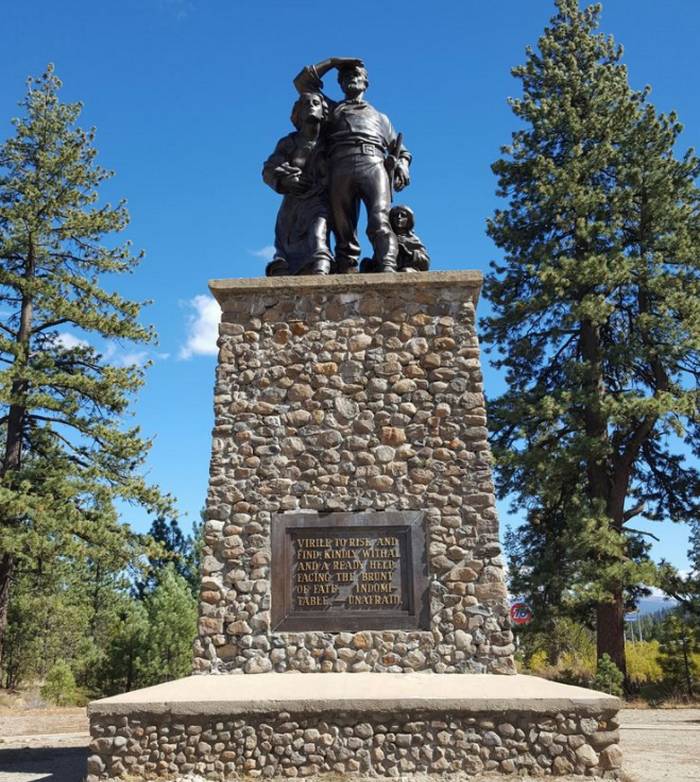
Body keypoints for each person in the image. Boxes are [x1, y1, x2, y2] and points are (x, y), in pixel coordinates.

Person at [293, 57, 411, 273]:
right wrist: (332, 62)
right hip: (340, 166)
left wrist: (402, 164)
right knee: (342, 227)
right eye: (345, 77)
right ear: (339, 84)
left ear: (365, 83)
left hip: (374, 165)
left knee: (379, 219)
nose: (350, 79)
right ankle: (346, 269)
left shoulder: (381, 118)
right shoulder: (332, 108)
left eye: (355, 75)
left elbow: (402, 151)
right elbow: (302, 83)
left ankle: (387, 264)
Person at [262, 92, 333, 276]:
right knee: (287, 249)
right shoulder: (289, 142)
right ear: (298, 113)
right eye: (305, 104)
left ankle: (321, 268)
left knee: (318, 233)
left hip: (320, 201)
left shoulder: (331, 142)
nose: (311, 106)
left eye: (316, 103)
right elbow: (269, 169)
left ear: (324, 112)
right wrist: (285, 180)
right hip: (293, 206)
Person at [360, 205, 430, 273]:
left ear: (408, 219)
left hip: (406, 268)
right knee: (365, 263)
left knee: (405, 272)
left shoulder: (413, 239)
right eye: (395, 215)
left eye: (403, 215)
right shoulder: (385, 237)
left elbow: (426, 263)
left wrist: (408, 253)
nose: (399, 217)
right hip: (385, 268)